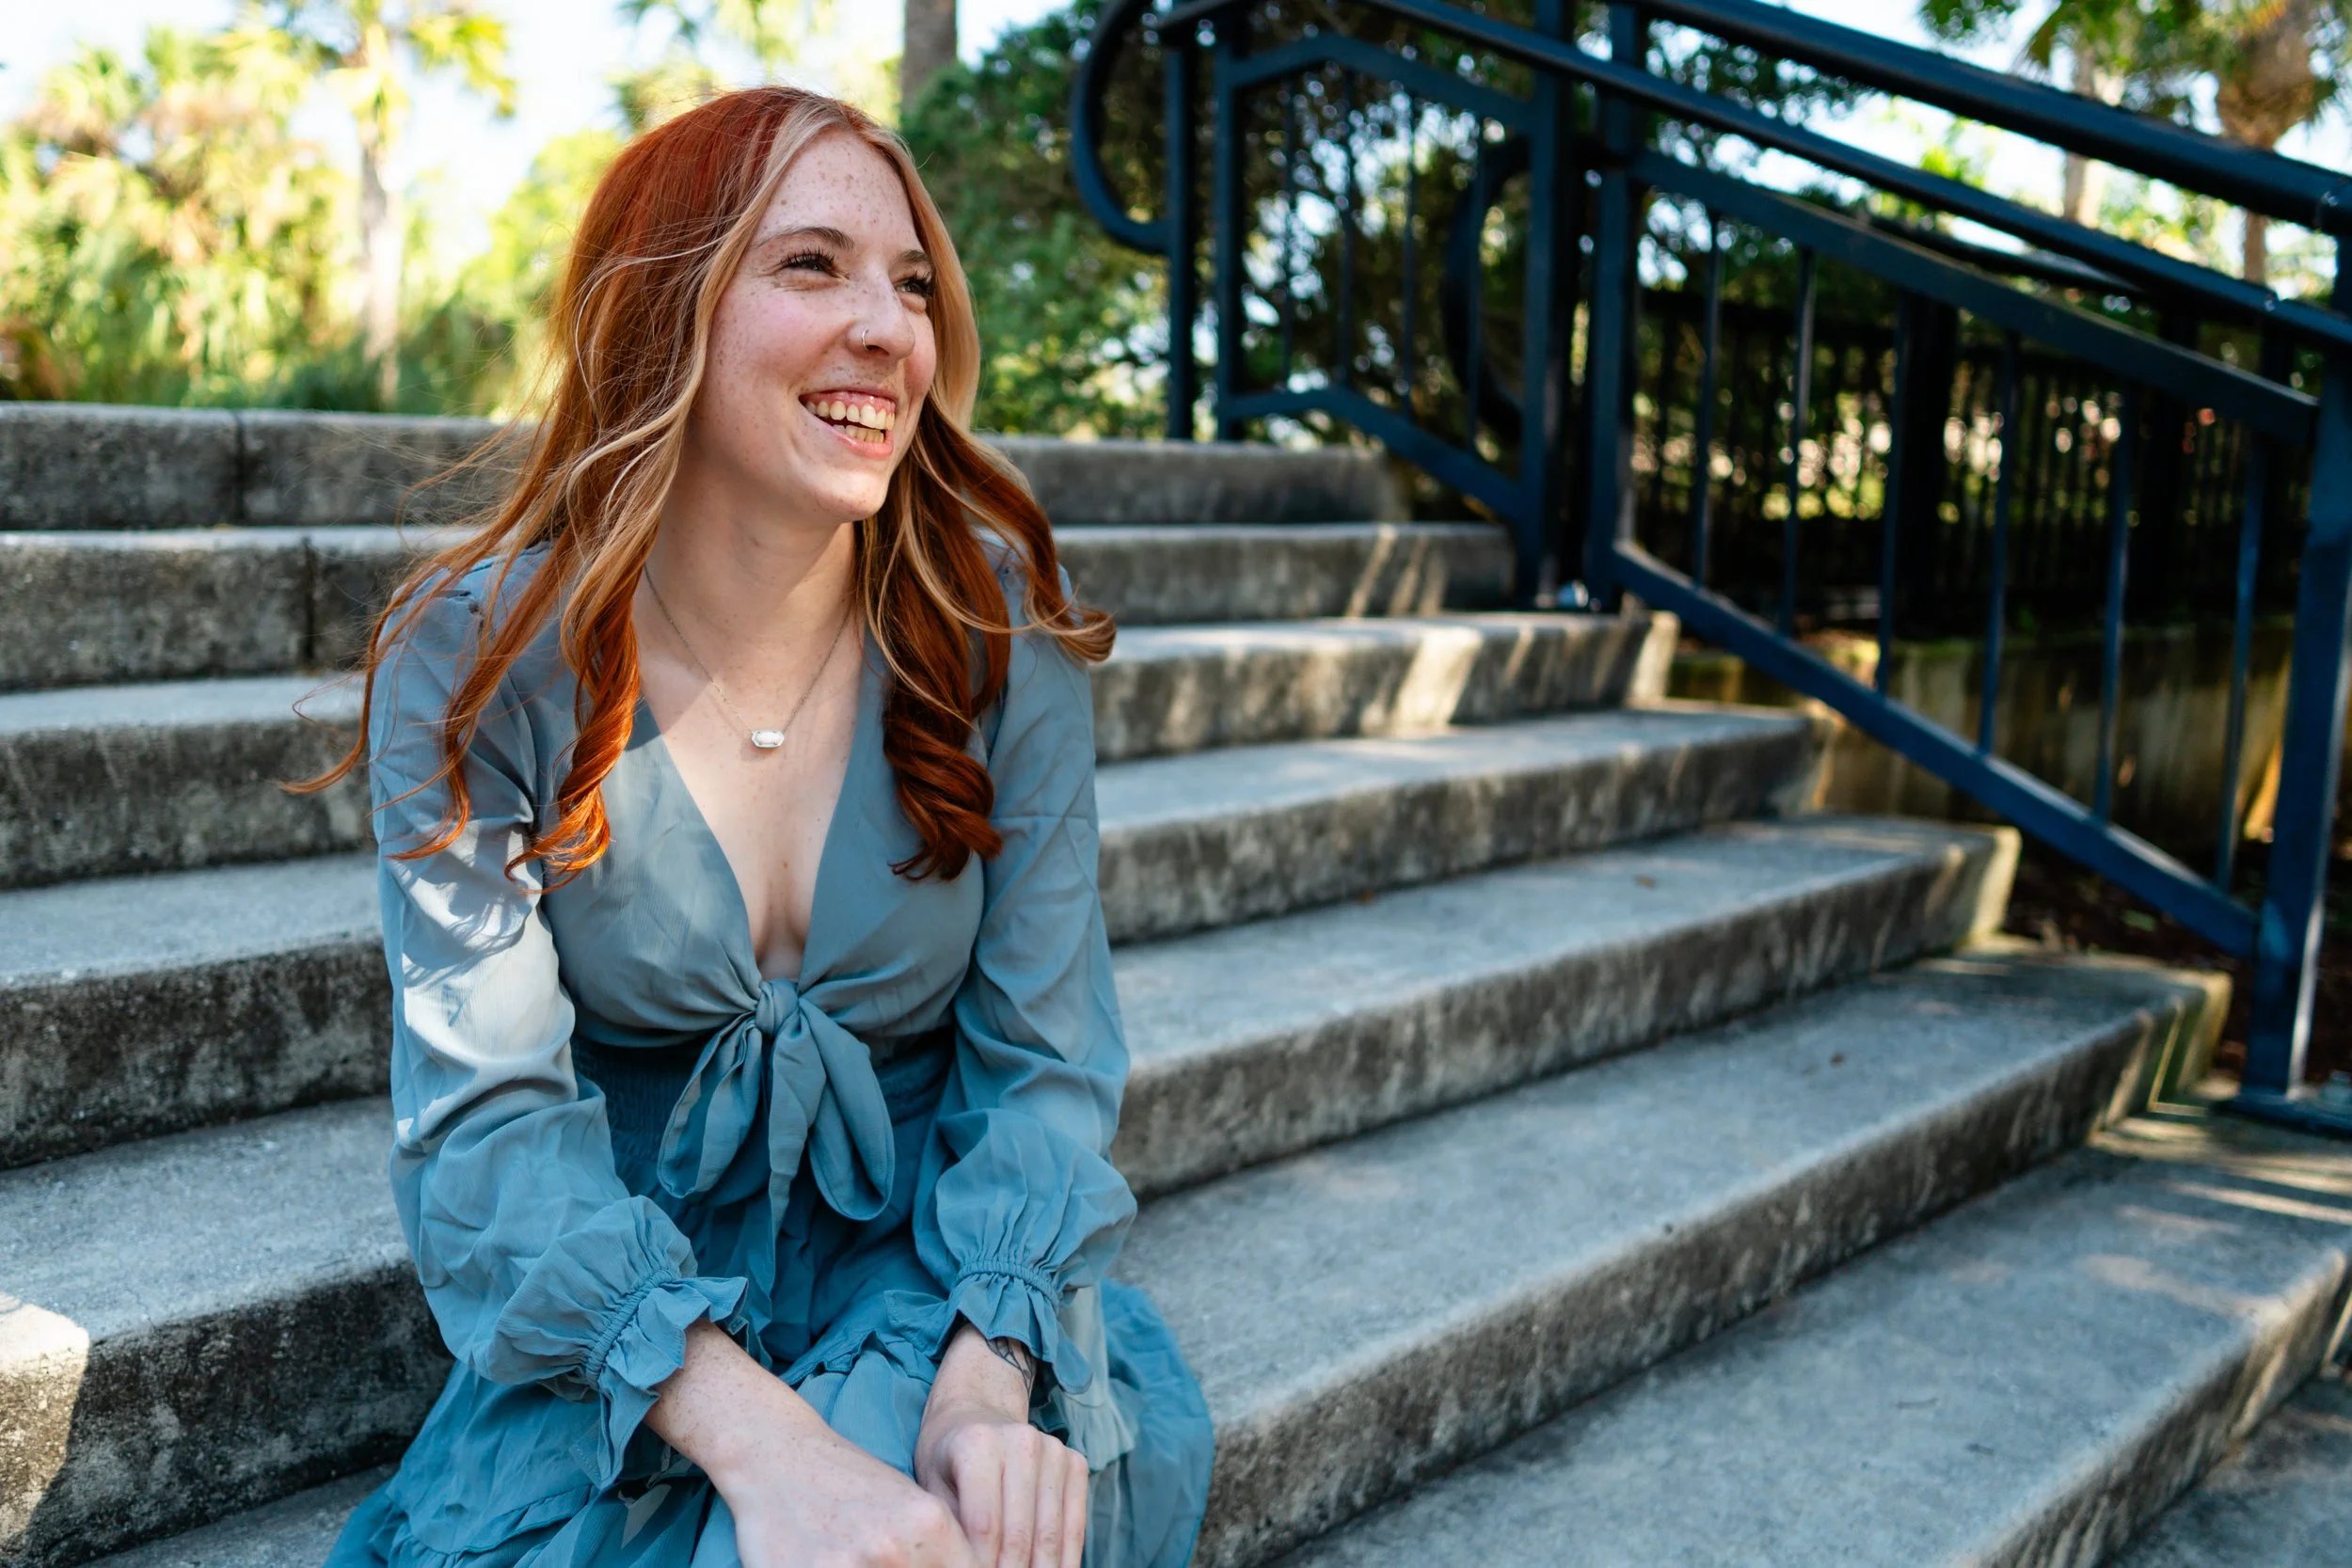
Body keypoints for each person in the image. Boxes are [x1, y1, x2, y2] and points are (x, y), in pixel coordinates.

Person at [310, 85, 1213, 1568]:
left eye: (912, 283)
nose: (889, 327)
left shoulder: (997, 635)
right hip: (643, 1328)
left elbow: (1045, 1060)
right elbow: (487, 1128)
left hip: (935, 1274)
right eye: (813, 266)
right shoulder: (481, 660)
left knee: (974, 1522)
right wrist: (774, 1451)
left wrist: (987, 1380)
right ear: (665, 314)